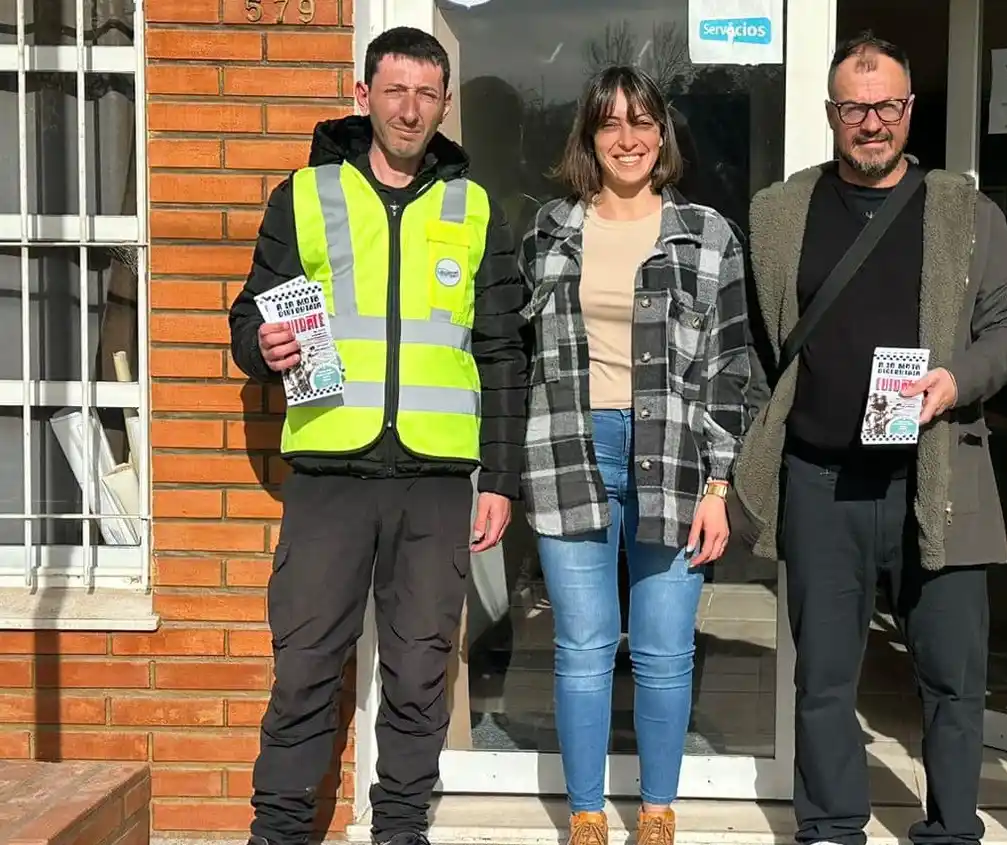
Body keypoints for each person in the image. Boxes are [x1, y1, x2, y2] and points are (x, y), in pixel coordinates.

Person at [730, 32, 1007, 845]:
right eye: (855, 108)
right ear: (831, 113)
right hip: (822, 479)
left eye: (888, 106)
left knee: (952, 678)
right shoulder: (777, 212)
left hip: (937, 475)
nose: (872, 123)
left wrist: (957, 380)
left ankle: (952, 828)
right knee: (825, 679)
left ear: (910, 110)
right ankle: (831, 825)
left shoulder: (966, 212)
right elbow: (762, 346)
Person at [226, 27, 527, 845]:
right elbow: (248, 318)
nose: (410, 108)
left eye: (428, 94)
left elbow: (504, 351)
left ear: (444, 103)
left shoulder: (474, 207)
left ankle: (400, 829)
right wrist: (262, 345)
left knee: (422, 671)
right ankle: (280, 830)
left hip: (433, 478)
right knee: (306, 669)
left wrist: (499, 475)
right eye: (395, 91)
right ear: (363, 96)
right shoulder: (306, 194)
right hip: (329, 471)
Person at [516, 65, 750, 845]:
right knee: (581, 646)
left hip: (675, 458)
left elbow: (730, 369)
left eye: (643, 121)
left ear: (663, 134)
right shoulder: (549, 232)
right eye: (611, 123)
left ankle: (656, 811)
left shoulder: (708, 235)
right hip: (570, 449)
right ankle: (586, 814)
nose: (629, 138)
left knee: (662, 649)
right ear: (589, 137)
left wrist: (720, 482)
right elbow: (521, 356)